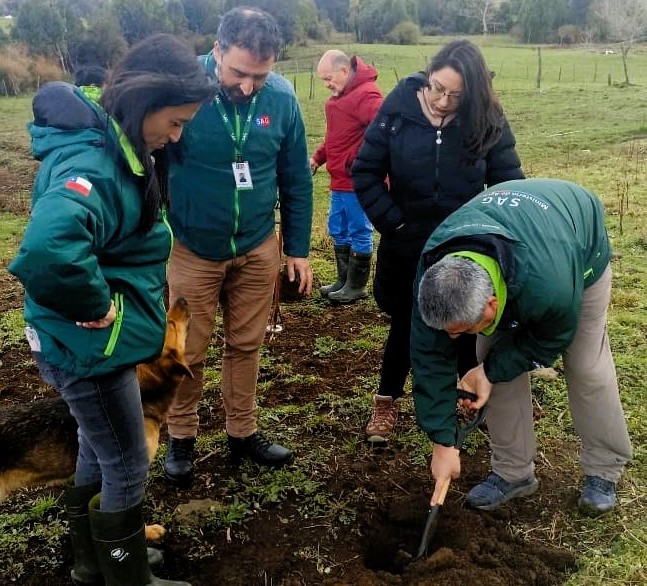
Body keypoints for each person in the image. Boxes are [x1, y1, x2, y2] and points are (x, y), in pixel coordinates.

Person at [9, 34, 216, 586]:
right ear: (145, 99)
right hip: (90, 352)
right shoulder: (95, 164)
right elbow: (49, 248)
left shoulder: (117, 147)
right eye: (174, 122)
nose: (175, 137)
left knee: (97, 451)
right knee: (127, 460)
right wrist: (97, 303)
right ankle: (127, 579)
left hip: (92, 347)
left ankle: (90, 562)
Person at [413, 178, 633, 516]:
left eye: (463, 330)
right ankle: (513, 472)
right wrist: (442, 441)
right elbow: (429, 356)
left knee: (585, 364)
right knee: (489, 356)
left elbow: (551, 338)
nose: (453, 339)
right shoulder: (434, 275)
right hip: (516, 245)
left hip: (575, 247)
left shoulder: (551, 287)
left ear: (490, 304)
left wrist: (493, 369)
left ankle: (604, 468)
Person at [163, 7, 313, 486]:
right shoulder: (182, 89)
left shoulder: (284, 100)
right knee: (186, 348)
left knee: (246, 345)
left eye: (260, 76)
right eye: (238, 73)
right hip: (191, 249)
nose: (248, 87)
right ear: (217, 51)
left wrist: (298, 248)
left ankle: (241, 433)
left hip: (256, 245)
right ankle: (181, 437)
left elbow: (295, 179)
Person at [352, 39, 524, 443]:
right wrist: (393, 223)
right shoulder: (397, 110)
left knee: (465, 323)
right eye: (437, 89)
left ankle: (466, 395)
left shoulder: (487, 118)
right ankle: (387, 400)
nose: (444, 101)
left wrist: (484, 232)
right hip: (406, 244)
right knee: (406, 324)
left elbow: (508, 185)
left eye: (456, 95)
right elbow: (365, 171)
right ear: (427, 78)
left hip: (465, 246)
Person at [310, 50, 382, 303]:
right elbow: (334, 138)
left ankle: (357, 286)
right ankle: (343, 280)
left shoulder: (366, 94)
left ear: (343, 70)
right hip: (338, 179)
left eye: (329, 78)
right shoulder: (338, 100)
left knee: (358, 229)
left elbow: (382, 129)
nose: (327, 84)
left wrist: (358, 159)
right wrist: (318, 158)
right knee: (337, 228)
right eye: (323, 80)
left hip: (355, 181)